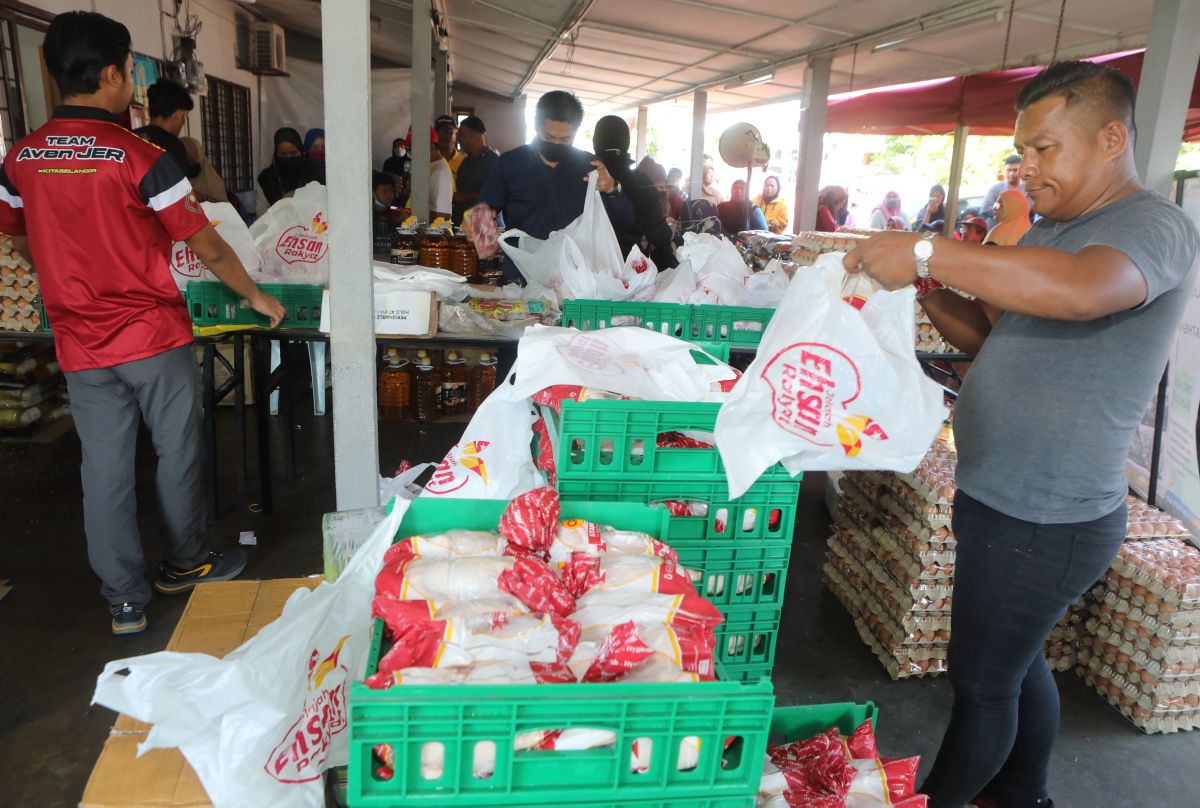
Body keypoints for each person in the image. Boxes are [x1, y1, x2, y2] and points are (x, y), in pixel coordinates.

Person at [843, 61, 1199, 808]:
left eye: (1043, 149)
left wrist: (928, 249)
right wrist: (926, 288)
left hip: (1047, 514)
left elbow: (1078, 293)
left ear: (1110, 138)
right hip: (1000, 496)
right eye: (1021, 151)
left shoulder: (1152, 225)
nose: (1025, 167)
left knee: (981, 684)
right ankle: (1023, 795)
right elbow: (993, 330)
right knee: (1016, 664)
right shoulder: (1054, 228)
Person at [0, 11, 285, 635]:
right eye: (131, 69)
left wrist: (63, 276)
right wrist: (258, 298)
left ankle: (123, 599)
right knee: (176, 449)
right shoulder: (138, 155)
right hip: (150, 334)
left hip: (78, 338)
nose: (132, 79)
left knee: (102, 468)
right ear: (109, 74)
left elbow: (19, 239)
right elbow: (206, 245)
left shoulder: (21, 158)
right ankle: (186, 563)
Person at [471, 90, 618, 281]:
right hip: (521, 276)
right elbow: (481, 212)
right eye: (548, 137)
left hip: (572, 278)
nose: (556, 143)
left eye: (565, 140)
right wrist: (489, 247)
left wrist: (613, 189)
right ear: (535, 125)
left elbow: (621, 221)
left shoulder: (590, 166)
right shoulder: (509, 163)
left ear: (576, 131)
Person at [592, 115, 676, 268]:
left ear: (595, 142)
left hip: (585, 267)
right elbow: (658, 234)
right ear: (626, 142)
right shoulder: (642, 182)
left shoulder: (584, 176)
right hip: (630, 269)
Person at [134, 78, 192, 173]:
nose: (183, 122)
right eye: (183, 116)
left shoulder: (131, 137)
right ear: (178, 113)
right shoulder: (174, 147)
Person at [256, 127, 318, 214]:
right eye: (283, 154)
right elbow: (262, 216)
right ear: (275, 154)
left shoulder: (313, 175)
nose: (288, 157)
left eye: (293, 153)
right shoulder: (266, 179)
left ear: (301, 151)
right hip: (275, 226)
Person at [452, 115, 498, 226]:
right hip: (461, 225)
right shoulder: (465, 162)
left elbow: (497, 195)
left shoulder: (492, 161)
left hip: (483, 228)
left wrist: (466, 196)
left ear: (472, 134)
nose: (457, 138)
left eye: (461, 134)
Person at [403, 125, 453, 222]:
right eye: (409, 149)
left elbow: (443, 216)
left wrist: (409, 217)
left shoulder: (440, 173)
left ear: (430, 146)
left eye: (414, 148)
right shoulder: (427, 166)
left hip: (432, 236)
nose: (412, 154)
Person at [180, 137, 228, 204]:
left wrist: (201, 198)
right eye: (185, 161)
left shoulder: (214, 183)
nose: (188, 165)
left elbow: (225, 209)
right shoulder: (174, 179)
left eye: (190, 161)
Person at [981, 154, 1024, 228]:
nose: (1011, 173)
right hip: (995, 231)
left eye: (1015, 170)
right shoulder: (995, 189)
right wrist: (1006, 214)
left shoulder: (1027, 189)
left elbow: (1031, 208)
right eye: (1008, 170)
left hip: (1018, 231)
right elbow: (986, 208)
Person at [434, 114, 465, 179]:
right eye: (439, 131)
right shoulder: (428, 159)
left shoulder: (464, 163)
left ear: (456, 135)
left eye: (448, 131)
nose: (442, 135)